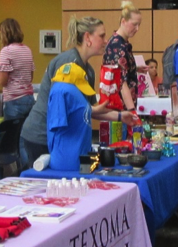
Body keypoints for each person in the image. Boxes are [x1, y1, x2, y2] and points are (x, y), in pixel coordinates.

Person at [21, 16, 140, 162]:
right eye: (102, 36)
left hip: (61, 137)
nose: (105, 41)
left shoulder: (88, 71)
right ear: (87, 37)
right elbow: (61, 107)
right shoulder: (68, 63)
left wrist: (121, 116)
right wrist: (98, 111)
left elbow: (88, 110)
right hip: (42, 136)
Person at [46, 63, 96, 170]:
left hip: (80, 160)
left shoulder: (71, 92)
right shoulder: (61, 91)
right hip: (67, 162)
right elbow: (57, 123)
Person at [0, 18, 35, 122]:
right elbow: (30, 77)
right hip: (29, 98)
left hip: (14, 100)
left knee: (12, 135)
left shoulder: (6, 51)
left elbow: (2, 82)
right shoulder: (27, 50)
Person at [102, 1, 143, 112]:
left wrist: (135, 68)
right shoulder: (118, 45)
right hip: (120, 107)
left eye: (139, 24)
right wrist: (131, 110)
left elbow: (120, 69)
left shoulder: (121, 43)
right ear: (123, 21)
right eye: (134, 24)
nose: (137, 29)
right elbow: (121, 81)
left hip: (120, 105)